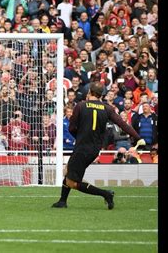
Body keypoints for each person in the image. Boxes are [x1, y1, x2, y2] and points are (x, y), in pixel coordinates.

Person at [52, 82, 145, 210]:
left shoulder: (81, 105)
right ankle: (62, 201)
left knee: (71, 182)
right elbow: (123, 124)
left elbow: (71, 127)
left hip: (82, 147)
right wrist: (138, 137)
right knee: (68, 171)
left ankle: (106, 194)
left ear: (89, 92)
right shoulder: (107, 108)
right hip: (95, 149)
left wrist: (78, 137)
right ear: (101, 95)